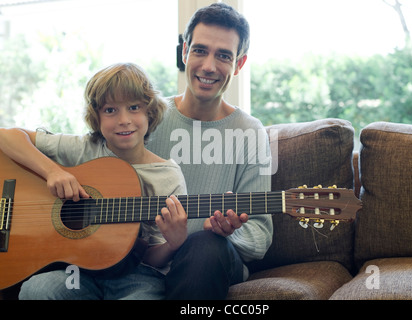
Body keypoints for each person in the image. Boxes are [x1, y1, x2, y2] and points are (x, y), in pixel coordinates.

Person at [0, 62, 189, 299]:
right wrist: (52, 172)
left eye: (133, 107)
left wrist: (173, 243)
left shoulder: (167, 175)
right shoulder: (85, 148)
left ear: (149, 112)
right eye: (110, 110)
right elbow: (6, 136)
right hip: (77, 271)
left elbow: (151, 256)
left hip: (138, 275)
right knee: (37, 290)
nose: (124, 120)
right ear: (96, 116)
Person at [146, 3, 274, 299]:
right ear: (184, 52)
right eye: (200, 50)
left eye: (224, 56)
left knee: (204, 244)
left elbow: (261, 234)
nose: (209, 66)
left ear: (239, 64)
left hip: (212, 260)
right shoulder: (147, 119)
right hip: (150, 261)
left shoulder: (249, 132)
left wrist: (229, 231)